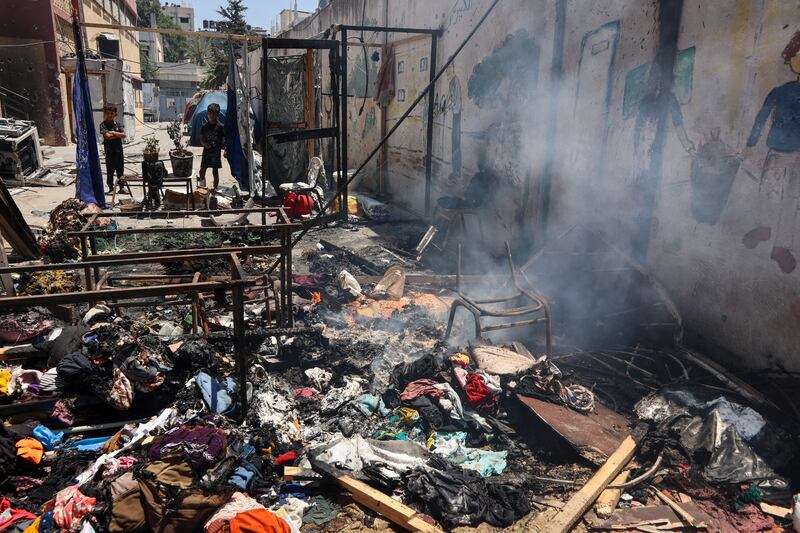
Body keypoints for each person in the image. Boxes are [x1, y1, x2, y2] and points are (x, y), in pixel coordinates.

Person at [743, 31, 800, 274]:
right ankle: (763, 227)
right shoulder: (781, 91)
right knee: (767, 193)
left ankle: (781, 247)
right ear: (792, 61)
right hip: (777, 151)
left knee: (792, 201)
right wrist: (750, 143)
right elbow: (762, 117)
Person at [99, 105, 126, 194]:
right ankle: (111, 188)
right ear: (105, 114)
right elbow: (107, 137)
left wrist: (114, 132)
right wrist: (118, 135)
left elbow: (124, 135)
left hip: (119, 151)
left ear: (115, 114)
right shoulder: (103, 125)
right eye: (108, 113)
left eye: (112, 113)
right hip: (109, 151)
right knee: (110, 171)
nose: (110, 115)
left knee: (120, 170)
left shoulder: (118, 124)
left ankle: (122, 187)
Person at [200, 103, 225, 189]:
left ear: (217, 115)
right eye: (210, 113)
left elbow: (225, 140)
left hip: (215, 154)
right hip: (206, 153)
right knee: (202, 171)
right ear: (207, 113)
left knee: (215, 172)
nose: (211, 115)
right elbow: (201, 139)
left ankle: (215, 189)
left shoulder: (221, 127)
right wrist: (205, 144)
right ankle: (202, 189)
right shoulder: (204, 127)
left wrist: (226, 149)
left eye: (214, 114)